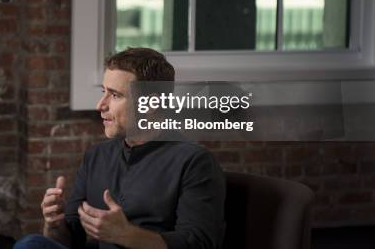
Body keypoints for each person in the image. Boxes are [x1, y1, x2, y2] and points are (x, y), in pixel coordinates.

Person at [14, 47, 226, 249]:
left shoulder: (194, 161)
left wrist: (125, 235)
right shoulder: (96, 156)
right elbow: (68, 242)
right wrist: (54, 223)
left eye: (115, 95)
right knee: (32, 244)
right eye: (103, 91)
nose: (100, 105)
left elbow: (198, 242)